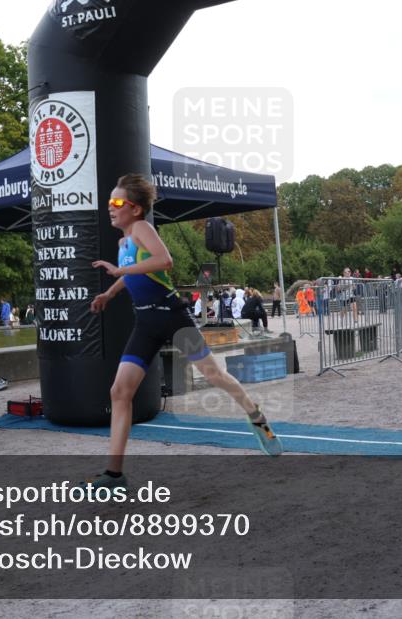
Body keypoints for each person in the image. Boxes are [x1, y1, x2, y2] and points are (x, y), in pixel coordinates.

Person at [88, 174, 283, 489]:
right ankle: (114, 474)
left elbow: (164, 260)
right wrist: (110, 293)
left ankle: (255, 415)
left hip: (172, 316)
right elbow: (137, 276)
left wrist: (121, 270)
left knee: (215, 375)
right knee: (119, 392)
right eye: (109, 201)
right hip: (145, 322)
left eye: (117, 202)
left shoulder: (141, 228)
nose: (110, 207)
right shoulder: (124, 241)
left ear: (136, 209)